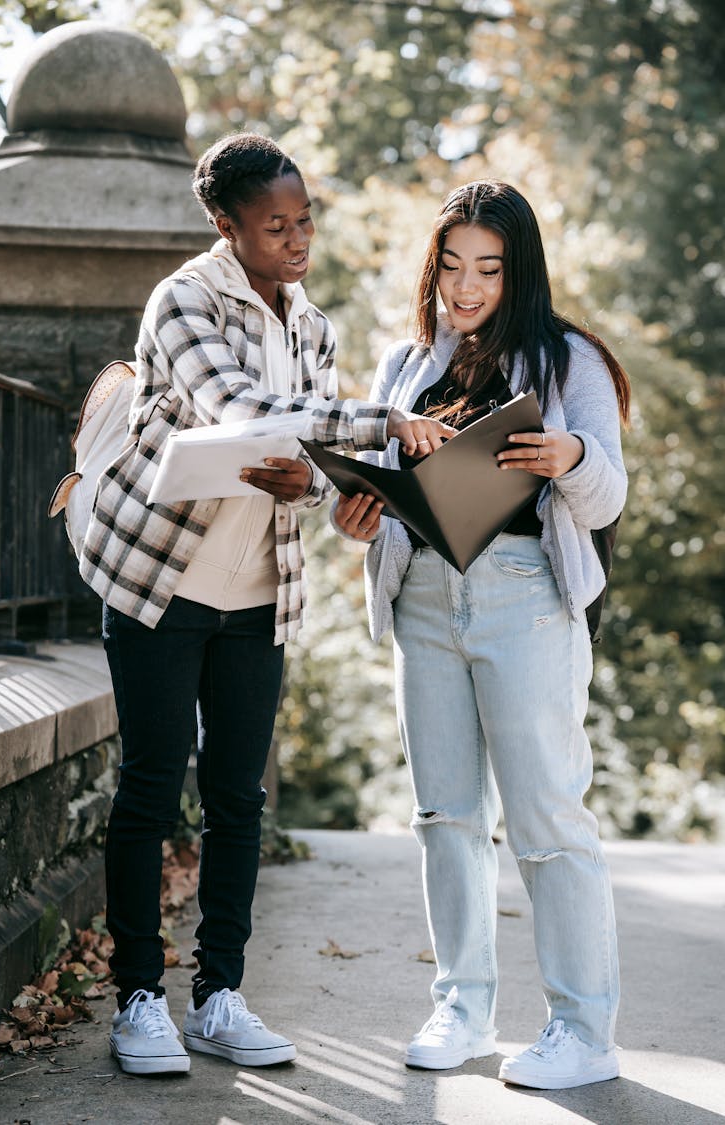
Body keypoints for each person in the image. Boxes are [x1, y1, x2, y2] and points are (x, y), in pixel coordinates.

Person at [78, 132, 450, 1077]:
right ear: (226, 225)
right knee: (154, 786)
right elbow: (236, 408)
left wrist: (317, 488)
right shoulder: (183, 302)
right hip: (160, 582)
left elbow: (309, 468)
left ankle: (218, 996)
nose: (297, 240)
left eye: (305, 220)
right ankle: (135, 1000)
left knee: (239, 797)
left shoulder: (314, 327)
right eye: (274, 225)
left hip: (259, 595)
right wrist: (386, 422)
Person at [333, 180, 630, 1090]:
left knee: (547, 817)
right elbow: (392, 497)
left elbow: (609, 492)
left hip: (522, 596)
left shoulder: (566, 357)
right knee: (445, 816)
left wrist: (570, 457)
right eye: (453, 266)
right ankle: (462, 1009)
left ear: (519, 273)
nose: (467, 288)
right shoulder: (404, 365)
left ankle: (583, 1030)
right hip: (424, 596)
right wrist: (364, 517)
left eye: (489, 270)